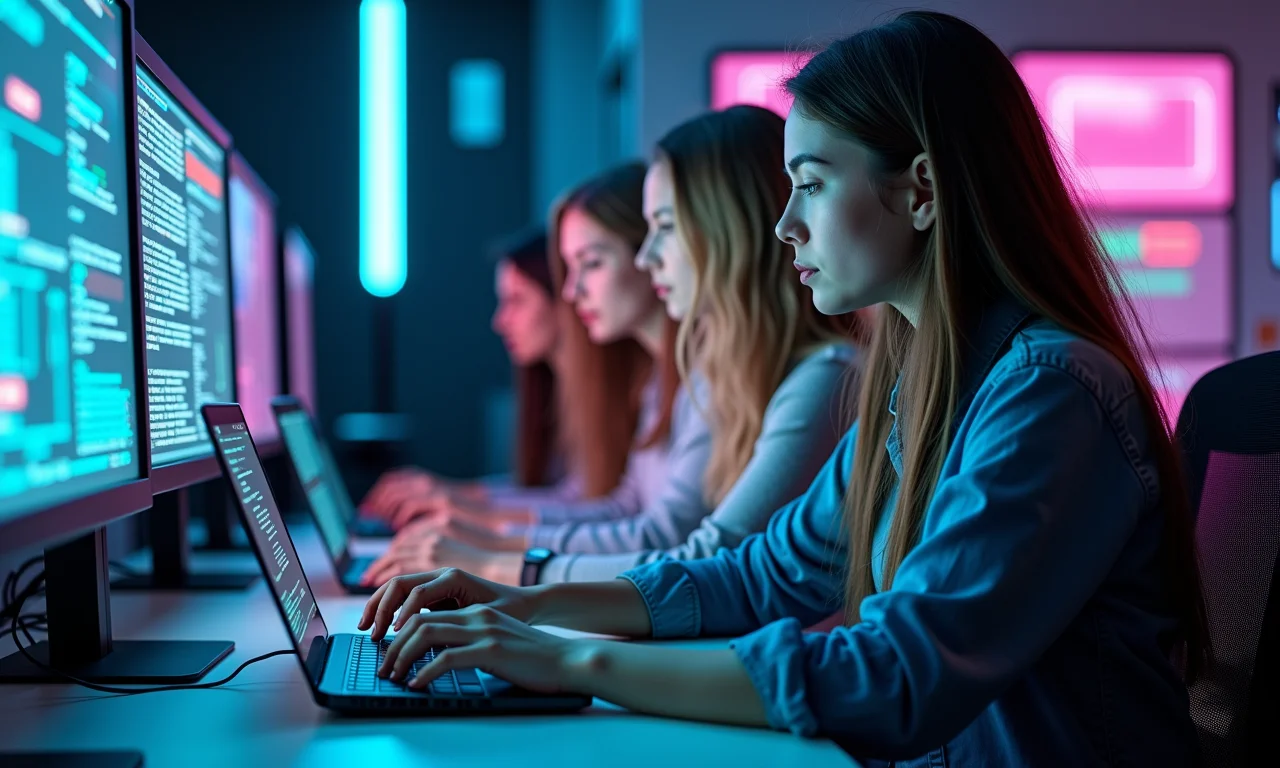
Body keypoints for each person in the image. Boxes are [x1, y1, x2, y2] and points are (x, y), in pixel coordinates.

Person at [358, 11, 1209, 766]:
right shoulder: (915, 386)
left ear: (920, 190)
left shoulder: (1047, 393)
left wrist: (564, 661)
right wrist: (524, 604)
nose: (783, 223)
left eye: (810, 182)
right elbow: (760, 575)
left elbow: (897, 676)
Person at [362, 106, 864, 586]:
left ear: (727, 233)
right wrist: (482, 535)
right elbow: (630, 510)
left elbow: (701, 556)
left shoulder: (823, 378)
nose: (649, 257)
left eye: (664, 228)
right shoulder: (713, 372)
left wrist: (498, 559)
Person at [360, 162, 709, 583]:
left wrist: (489, 543)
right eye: (569, 269)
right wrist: (472, 517)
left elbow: (661, 533)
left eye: (591, 264)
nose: (571, 293)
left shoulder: (697, 378)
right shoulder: (658, 382)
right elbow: (620, 508)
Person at [361, 230, 582, 516]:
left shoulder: (605, 398)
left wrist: (457, 503)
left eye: (516, 300)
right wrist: (449, 494)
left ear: (564, 297)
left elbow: (581, 504)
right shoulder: (556, 391)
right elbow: (553, 494)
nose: (500, 321)